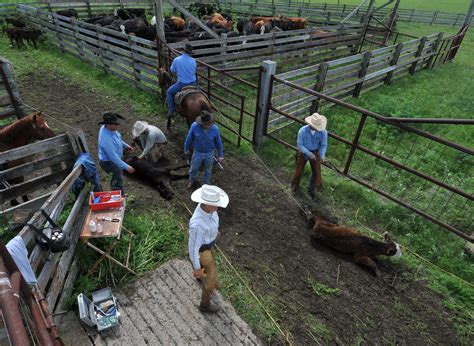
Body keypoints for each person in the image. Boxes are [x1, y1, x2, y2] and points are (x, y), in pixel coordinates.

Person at [188, 184, 229, 313]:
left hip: (209, 246)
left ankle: (201, 277)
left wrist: (215, 232)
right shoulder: (197, 225)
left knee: (209, 266)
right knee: (210, 278)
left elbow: (213, 221)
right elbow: (193, 248)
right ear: (206, 204)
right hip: (202, 251)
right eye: (216, 204)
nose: (219, 206)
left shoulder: (211, 211)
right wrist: (197, 268)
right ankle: (205, 305)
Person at [290, 112, 328, 198]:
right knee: (298, 170)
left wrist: (322, 155)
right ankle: (294, 185)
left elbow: (323, 145)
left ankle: (311, 190)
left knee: (316, 173)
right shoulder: (302, 131)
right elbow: (300, 145)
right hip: (303, 152)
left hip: (315, 152)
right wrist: (308, 153)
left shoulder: (323, 132)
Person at [184, 111, 224, 189]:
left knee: (208, 170)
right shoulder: (194, 126)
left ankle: (205, 184)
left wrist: (220, 155)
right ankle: (192, 180)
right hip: (197, 152)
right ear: (201, 123)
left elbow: (219, 143)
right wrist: (186, 148)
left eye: (209, 124)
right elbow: (189, 138)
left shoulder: (216, 129)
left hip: (209, 153)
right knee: (194, 168)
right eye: (205, 124)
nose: (207, 126)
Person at [98, 112, 135, 194]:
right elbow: (113, 157)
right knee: (117, 177)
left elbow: (117, 138)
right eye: (115, 124)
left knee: (117, 177)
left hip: (113, 159)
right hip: (108, 162)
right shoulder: (106, 140)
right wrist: (127, 167)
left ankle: (119, 195)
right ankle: (118, 197)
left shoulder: (110, 129)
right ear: (108, 125)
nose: (117, 126)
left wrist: (126, 146)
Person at [166, 44, 197, 120]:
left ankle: (172, 111)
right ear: (190, 53)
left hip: (182, 83)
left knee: (169, 92)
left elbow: (172, 70)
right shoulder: (194, 61)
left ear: (183, 51)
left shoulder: (177, 60)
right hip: (193, 83)